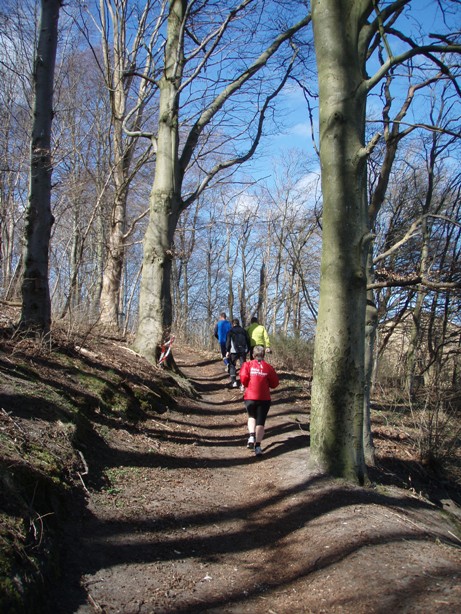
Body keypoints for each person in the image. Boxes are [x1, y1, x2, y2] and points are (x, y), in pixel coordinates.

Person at [239, 345, 279, 456]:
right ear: (263, 354)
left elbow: (243, 377)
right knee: (260, 422)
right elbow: (275, 383)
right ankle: (258, 447)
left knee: (251, 416)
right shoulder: (268, 367)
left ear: (252, 354)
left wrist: (247, 384)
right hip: (264, 398)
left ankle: (251, 436)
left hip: (250, 397)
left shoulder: (247, 365)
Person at [225, 318, 250, 388]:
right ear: (239, 323)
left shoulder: (230, 331)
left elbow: (228, 342)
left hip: (233, 351)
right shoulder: (244, 331)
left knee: (232, 365)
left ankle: (234, 382)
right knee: (243, 367)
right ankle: (243, 383)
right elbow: (248, 341)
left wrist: (227, 351)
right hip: (243, 351)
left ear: (233, 324)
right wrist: (247, 349)